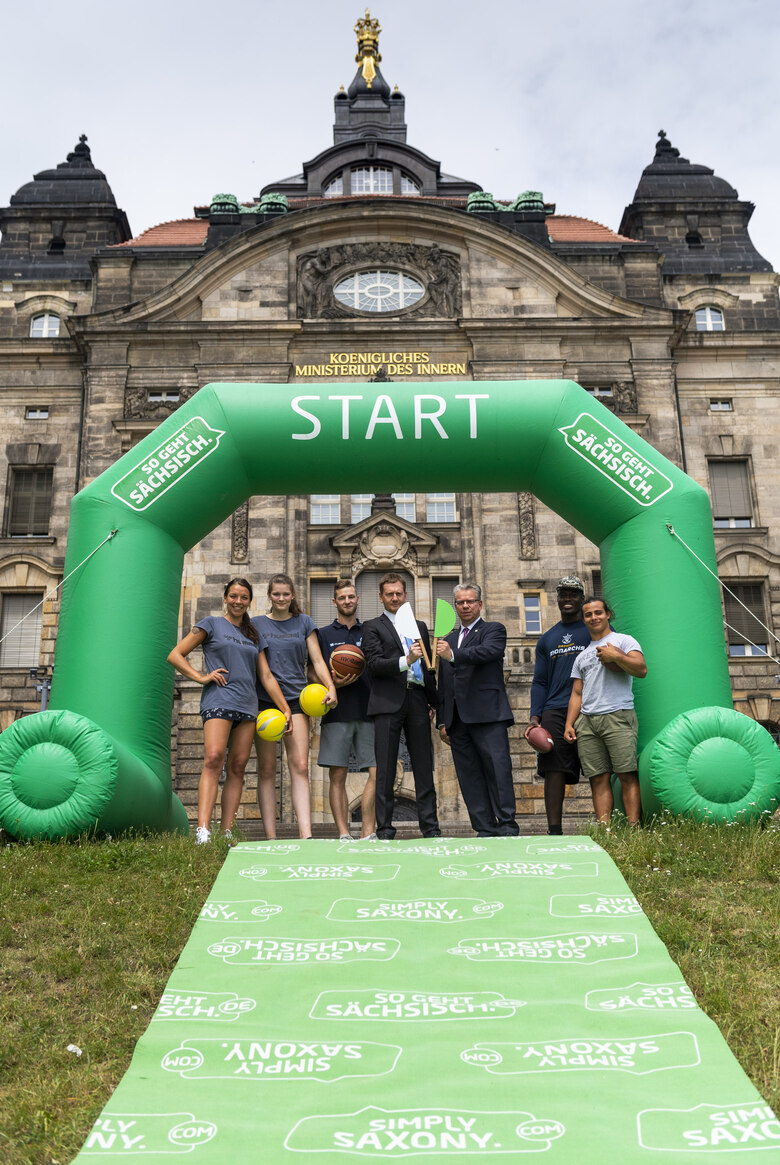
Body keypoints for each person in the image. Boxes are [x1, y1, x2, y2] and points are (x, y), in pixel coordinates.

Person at [167, 577, 291, 845]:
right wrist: (200, 677)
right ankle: (202, 831)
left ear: (250, 601)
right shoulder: (211, 624)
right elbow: (175, 654)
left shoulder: (253, 634)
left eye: (244, 597)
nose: (238, 601)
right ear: (225, 598)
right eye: (233, 596)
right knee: (213, 759)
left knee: (237, 767)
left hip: (248, 706)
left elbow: (266, 676)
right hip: (219, 700)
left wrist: (285, 709)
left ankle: (226, 830)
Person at [252, 574, 337, 839]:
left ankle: (306, 834)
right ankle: (271, 836)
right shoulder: (255, 624)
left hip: (297, 700)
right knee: (266, 769)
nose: (280, 598)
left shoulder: (304, 622)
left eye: (285, 594)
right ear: (269, 595)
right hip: (265, 702)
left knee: (299, 765)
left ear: (292, 596)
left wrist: (331, 687)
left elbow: (318, 661)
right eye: (275, 594)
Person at [362, 572, 441, 840]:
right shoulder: (372, 626)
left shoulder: (419, 625)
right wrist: (406, 660)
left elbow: (429, 667)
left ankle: (430, 828)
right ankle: (384, 830)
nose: (395, 597)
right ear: (381, 597)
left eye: (399, 593)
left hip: (418, 699)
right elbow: (373, 665)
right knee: (384, 769)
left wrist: (434, 700)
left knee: (423, 765)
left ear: (405, 595)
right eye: (389, 594)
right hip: (387, 702)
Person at [435, 583, 518, 836]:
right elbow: (444, 683)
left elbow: (488, 652)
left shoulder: (493, 630)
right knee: (469, 776)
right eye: (460, 602)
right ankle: (484, 827)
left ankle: (506, 825)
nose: (465, 606)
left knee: (497, 769)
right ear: (455, 606)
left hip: (488, 714)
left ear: (479, 604)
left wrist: (454, 655)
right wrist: (442, 720)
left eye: (470, 601)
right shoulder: (447, 639)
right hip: (457, 720)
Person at [564, 596, 647, 826]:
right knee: (597, 779)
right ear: (584, 619)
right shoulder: (581, 655)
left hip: (618, 715)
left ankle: (633, 833)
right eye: (588, 614)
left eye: (598, 612)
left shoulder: (624, 640)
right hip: (588, 722)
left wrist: (616, 656)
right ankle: (605, 832)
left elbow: (641, 669)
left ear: (607, 614)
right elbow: (577, 693)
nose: (594, 617)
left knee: (627, 775)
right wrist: (570, 724)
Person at [526, 575, 591, 835]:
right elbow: (540, 681)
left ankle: (608, 825)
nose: (567, 598)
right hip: (554, 708)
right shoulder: (547, 638)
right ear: (557, 599)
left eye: (573, 594)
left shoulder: (592, 630)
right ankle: (554, 831)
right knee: (553, 770)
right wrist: (534, 717)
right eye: (563, 594)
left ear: (581, 599)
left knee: (599, 767)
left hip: (590, 706)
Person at [316, 578, 377, 841]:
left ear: (357, 599)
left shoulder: (372, 631)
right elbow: (311, 669)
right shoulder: (323, 634)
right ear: (334, 602)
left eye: (351, 596)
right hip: (336, 711)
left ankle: (368, 832)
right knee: (337, 774)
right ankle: (343, 833)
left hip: (370, 709)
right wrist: (331, 683)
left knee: (376, 772)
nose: (347, 601)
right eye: (342, 598)